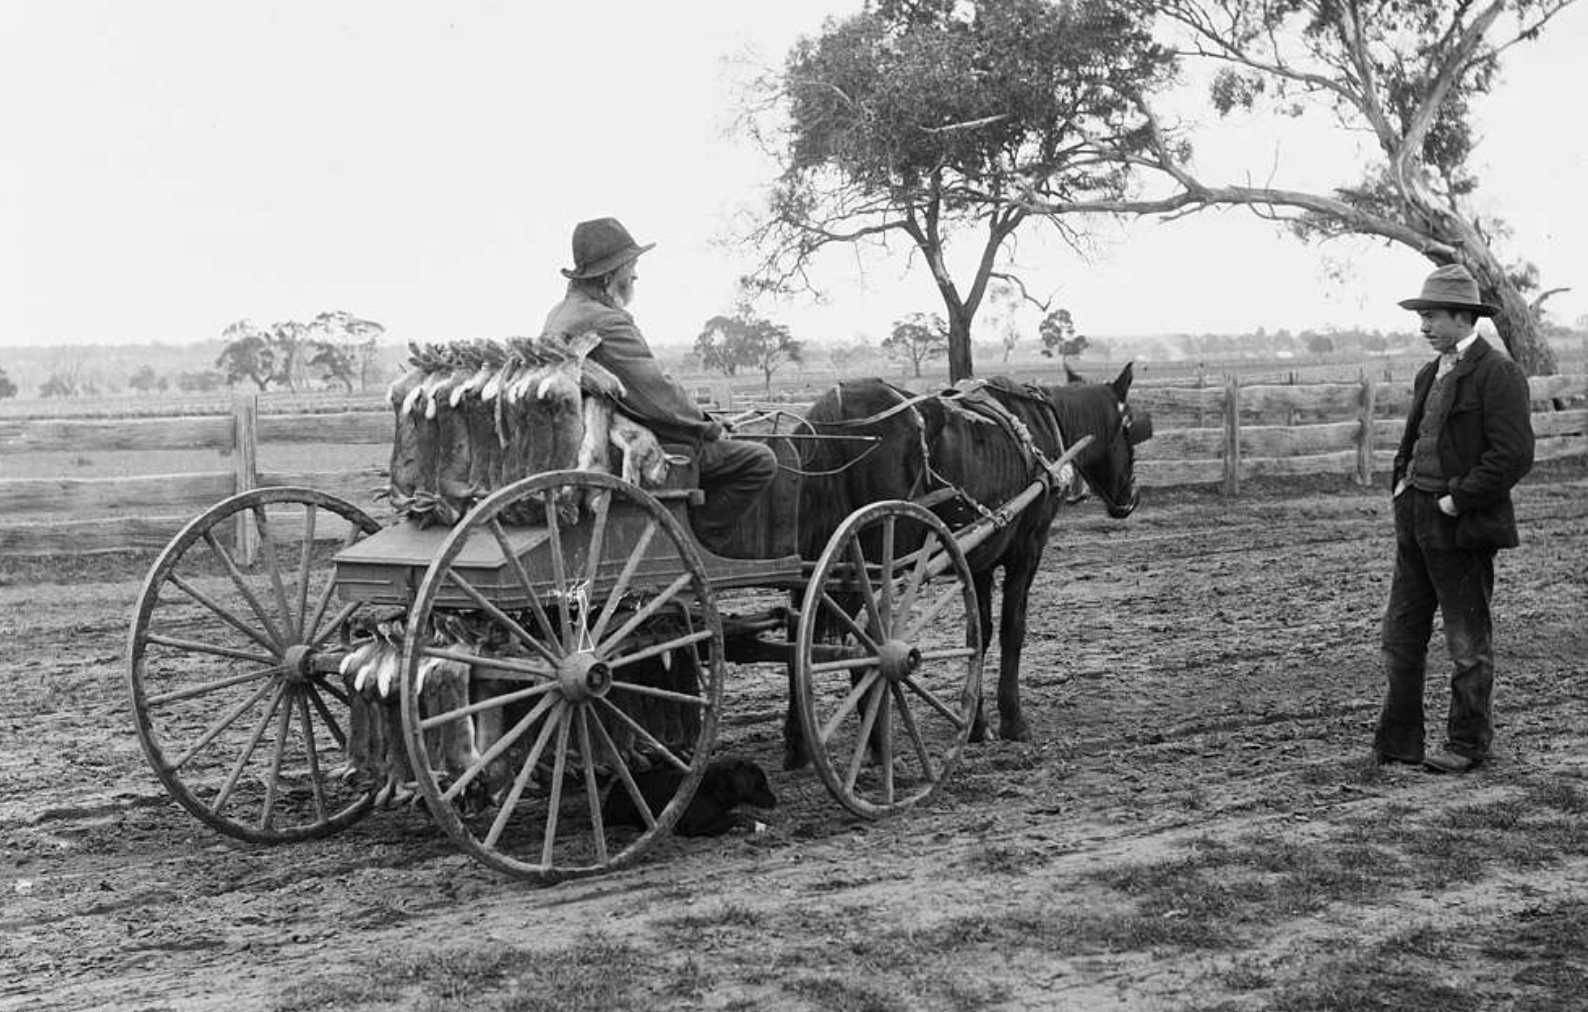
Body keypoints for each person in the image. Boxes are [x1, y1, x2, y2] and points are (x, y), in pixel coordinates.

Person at [1374, 263, 1535, 774]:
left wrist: (1457, 500)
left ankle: (1468, 745)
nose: (1423, 325)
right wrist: (1403, 490)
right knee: (1401, 636)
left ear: (1464, 317)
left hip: (1460, 524)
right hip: (1414, 518)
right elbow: (1415, 442)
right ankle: (1400, 743)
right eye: (1421, 315)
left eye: (1432, 316)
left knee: (1467, 642)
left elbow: (1512, 455)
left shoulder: (1498, 373)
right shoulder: (1430, 372)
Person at [541, 217, 776, 555]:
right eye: (631, 268)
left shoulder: (558, 315)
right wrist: (708, 427)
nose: (635, 276)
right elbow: (658, 396)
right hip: (634, 442)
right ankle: (698, 547)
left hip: (582, 436)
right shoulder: (607, 320)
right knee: (761, 460)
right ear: (610, 275)